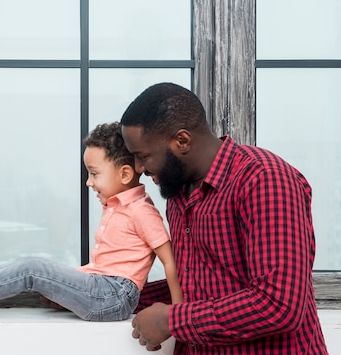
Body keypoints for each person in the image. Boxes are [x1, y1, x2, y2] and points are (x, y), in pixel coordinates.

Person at [120, 82, 328, 354]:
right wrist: (106, 298)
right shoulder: (179, 193)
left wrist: (172, 321)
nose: (139, 168)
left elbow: (280, 304)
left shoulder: (265, 179)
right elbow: (198, 286)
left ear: (182, 141)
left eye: (143, 156)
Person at [0, 121, 182, 322]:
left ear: (123, 175)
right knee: (33, 268)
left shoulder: (141, 211)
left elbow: (169, 261)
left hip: (113, 297)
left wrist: (177, 314)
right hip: (101, 288)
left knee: (32, 269)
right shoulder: (117, 206)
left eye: (94, 173)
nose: (88, 182)